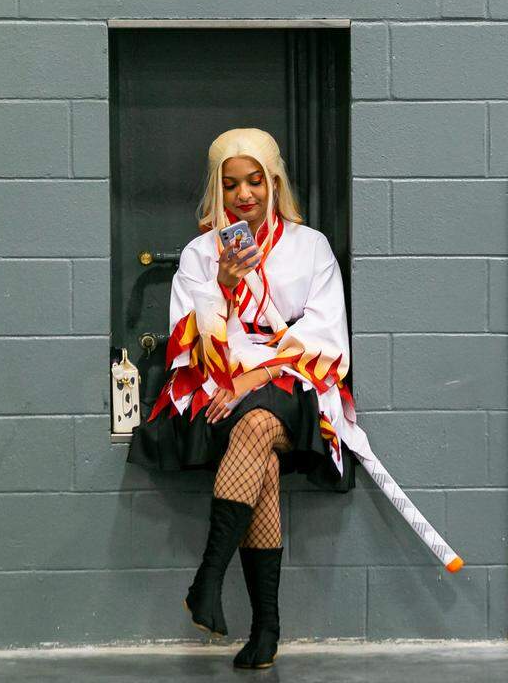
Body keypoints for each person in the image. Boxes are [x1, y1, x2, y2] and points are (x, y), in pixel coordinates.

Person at [129, 128, 373, 669]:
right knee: (255, 437)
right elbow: (190, 339)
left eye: (256, 181)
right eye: (232, 184)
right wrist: (221, 283)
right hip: (223, 389)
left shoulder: (311, 246)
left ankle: (208, 578)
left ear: (274, 182)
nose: (245, 195)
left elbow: (327, 332)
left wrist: (254, 377)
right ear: (219, 190)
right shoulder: (200, 252)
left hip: (294, 384)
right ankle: (266, 629)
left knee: (260, 420)